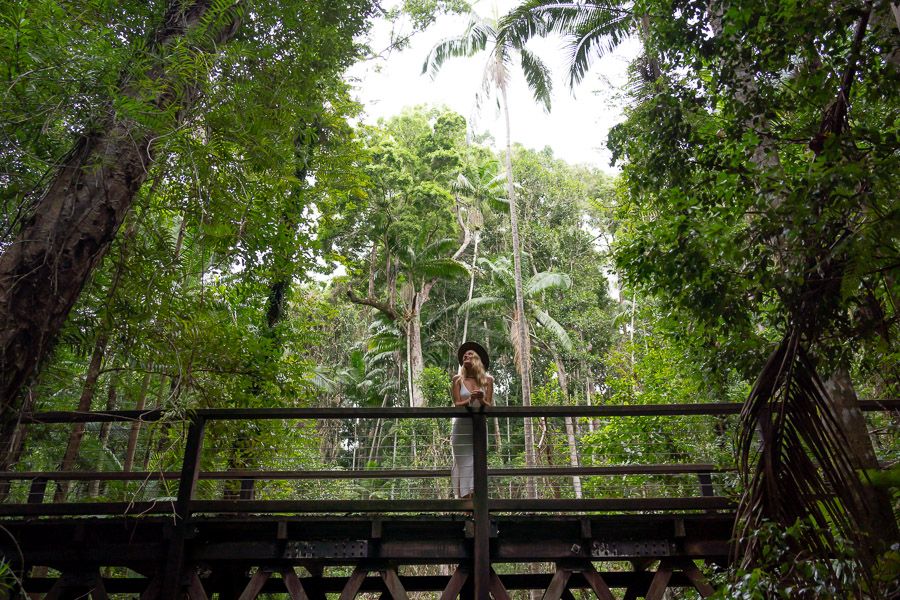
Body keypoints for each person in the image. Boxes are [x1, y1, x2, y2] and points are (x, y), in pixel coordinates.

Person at [450, 341, 494, 499]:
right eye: (464, 355)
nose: (466, 356)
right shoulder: (457, 380)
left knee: (477, 463)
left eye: (470, 354)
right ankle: (464, 505)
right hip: (461, 427)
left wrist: (481, 399)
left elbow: (488, 405)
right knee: (463, 465)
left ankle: (477, 503)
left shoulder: (488, 380)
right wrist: (469, 400)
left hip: (479, 426)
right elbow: (456, 404)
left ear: (477, 359)